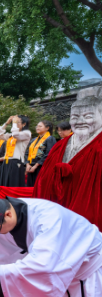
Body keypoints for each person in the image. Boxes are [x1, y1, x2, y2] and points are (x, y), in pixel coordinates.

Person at [34, 86, 102, 232]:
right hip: (60, 206)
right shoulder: (61, 146)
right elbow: (44, 179)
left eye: (89, 116)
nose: (80, 121)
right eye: (75, 117)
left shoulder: (99, 146)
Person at [0, 115, 31, 187]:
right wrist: (7, 123)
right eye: (15, 122)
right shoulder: (11, 135)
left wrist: (14, 123)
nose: (15, 123)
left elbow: (16, 134)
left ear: (24, 124)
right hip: (7, 161)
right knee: (5, 183)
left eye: (18, 122)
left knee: (13, 184)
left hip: (16, 161)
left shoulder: (26, 133)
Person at [24, 120, 55, 187]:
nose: (37, 128)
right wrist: (27, 164)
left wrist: (36, 166)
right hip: (30, 167)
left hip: (41, 167)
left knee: (39, 187)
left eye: (40, 126)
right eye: (37, 126)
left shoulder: (50, 139)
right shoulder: (34, 140)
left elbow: (49, 154)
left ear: (47, 128)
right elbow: (27, 153)